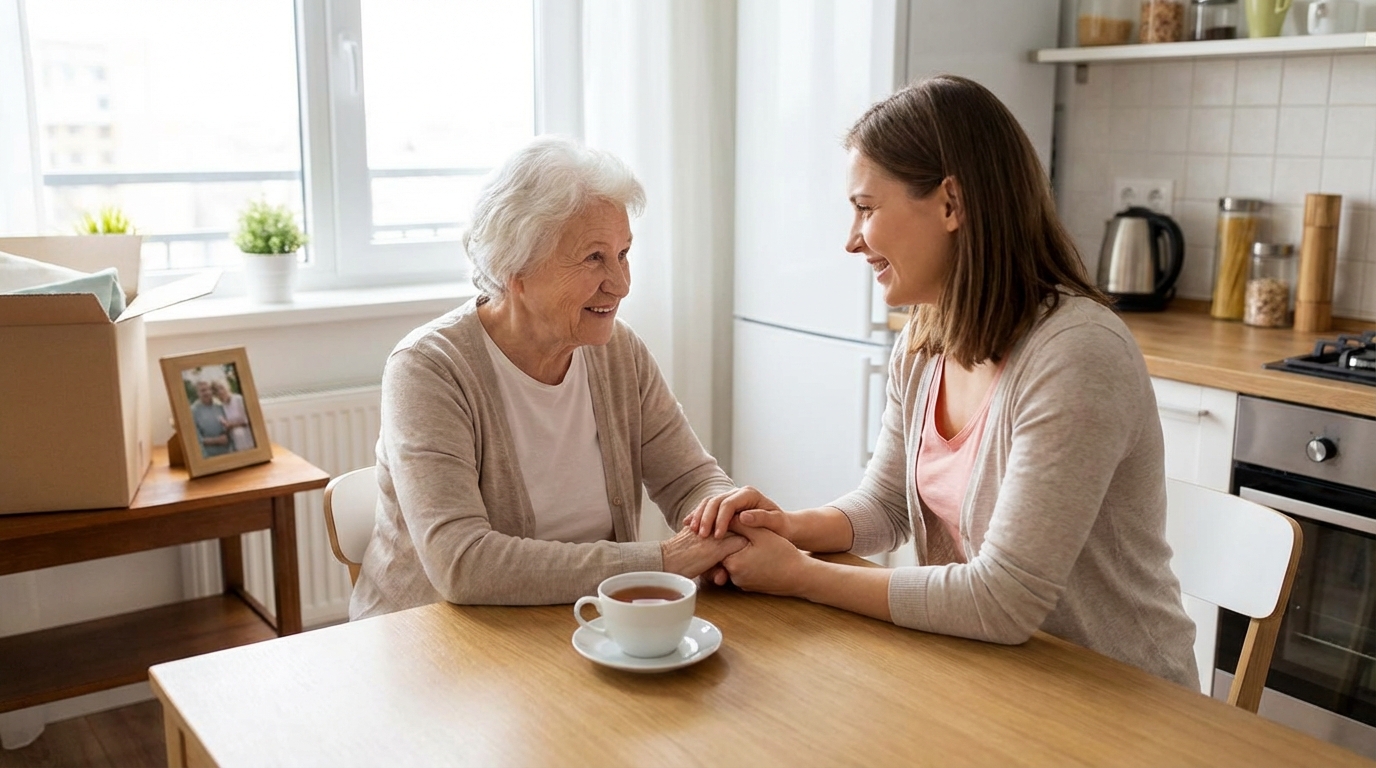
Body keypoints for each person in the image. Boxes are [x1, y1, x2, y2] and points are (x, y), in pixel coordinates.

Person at [687, 75, 1199, 689]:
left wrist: (799, 574)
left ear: (951, 204)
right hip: (993, 677)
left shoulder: (1077, 355)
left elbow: (1001, 600)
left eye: (866, 209)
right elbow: (884, 507)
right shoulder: (927, 338)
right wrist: (788, 528)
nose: (851, 241)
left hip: (1119, 703)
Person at [349, 136, 745, 619]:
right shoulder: (428, 369)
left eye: (623, 254)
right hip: (435, 640)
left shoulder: (619, 352)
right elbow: (462, 562)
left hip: (577, 623)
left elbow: (689, 477)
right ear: (515, 267)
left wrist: (724, 516)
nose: (620, 285)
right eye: (593, 258)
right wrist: (663, 561)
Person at [189, 379, 231, 458]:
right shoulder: (193, 411)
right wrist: (217, 440)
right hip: (208, 456)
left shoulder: (220, 406)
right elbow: (196, 438)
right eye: (203, 390)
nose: (207, 393)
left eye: (209, 389)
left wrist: (227, 433)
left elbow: (228, 426)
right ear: (197, 393)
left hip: (227, 452)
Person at [212, 379, 255, 452]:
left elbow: (247, 420)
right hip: (235, 443)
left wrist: (231, 425)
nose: (220, 392)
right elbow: (225, 427)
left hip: (247, 438)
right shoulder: (222, 406)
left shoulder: (238, 399)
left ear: (227, 387)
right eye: (217, 391)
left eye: (221, 388)